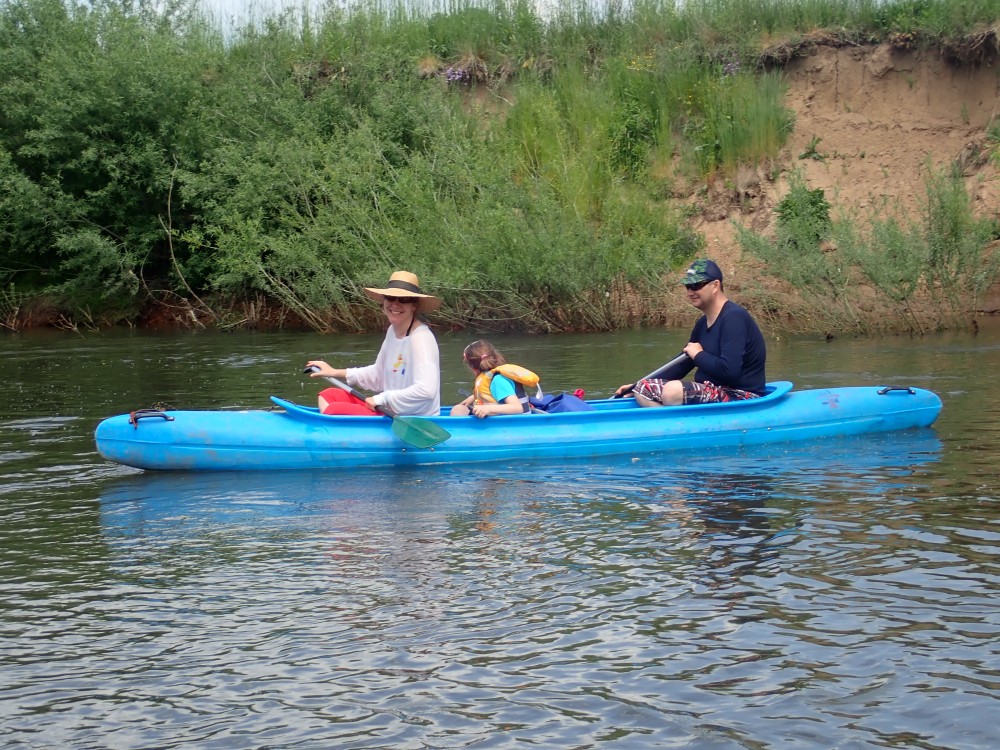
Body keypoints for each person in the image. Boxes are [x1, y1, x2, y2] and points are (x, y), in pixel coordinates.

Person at [615, 259, 766, 406]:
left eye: (696, 285)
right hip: (711, 392)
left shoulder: (734, 318)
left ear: (715, 285)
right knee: (643, 390)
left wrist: (698, 355)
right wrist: (635, 386)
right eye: (688, 286)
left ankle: (676, 419)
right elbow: (682, 364)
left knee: (672, 391)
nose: (691, 292)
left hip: (740, 396)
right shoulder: (702, 323)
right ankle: (674, 421)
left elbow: (729, 370)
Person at [306, 271, 441, 416]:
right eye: (391, 297)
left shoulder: (421, 339)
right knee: (328, 395)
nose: (395, 304)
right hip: (388, 410)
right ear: (384, 300)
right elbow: (378, 375)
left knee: (334, 410)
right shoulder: (392, 331)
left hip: (412, 418)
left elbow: (427, 390)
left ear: (414, 305)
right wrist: (334, 372)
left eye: (403, 299)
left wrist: (382, 398)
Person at [450, 340, 541, 418]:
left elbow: (517, 408)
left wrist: (488, 408)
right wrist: (473, 397)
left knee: (457, 410)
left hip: (517, 424)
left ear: (472, 367)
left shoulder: (498, 380)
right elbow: (493, 393)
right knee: (459, 408)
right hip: (502, 421)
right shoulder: (490, 377)